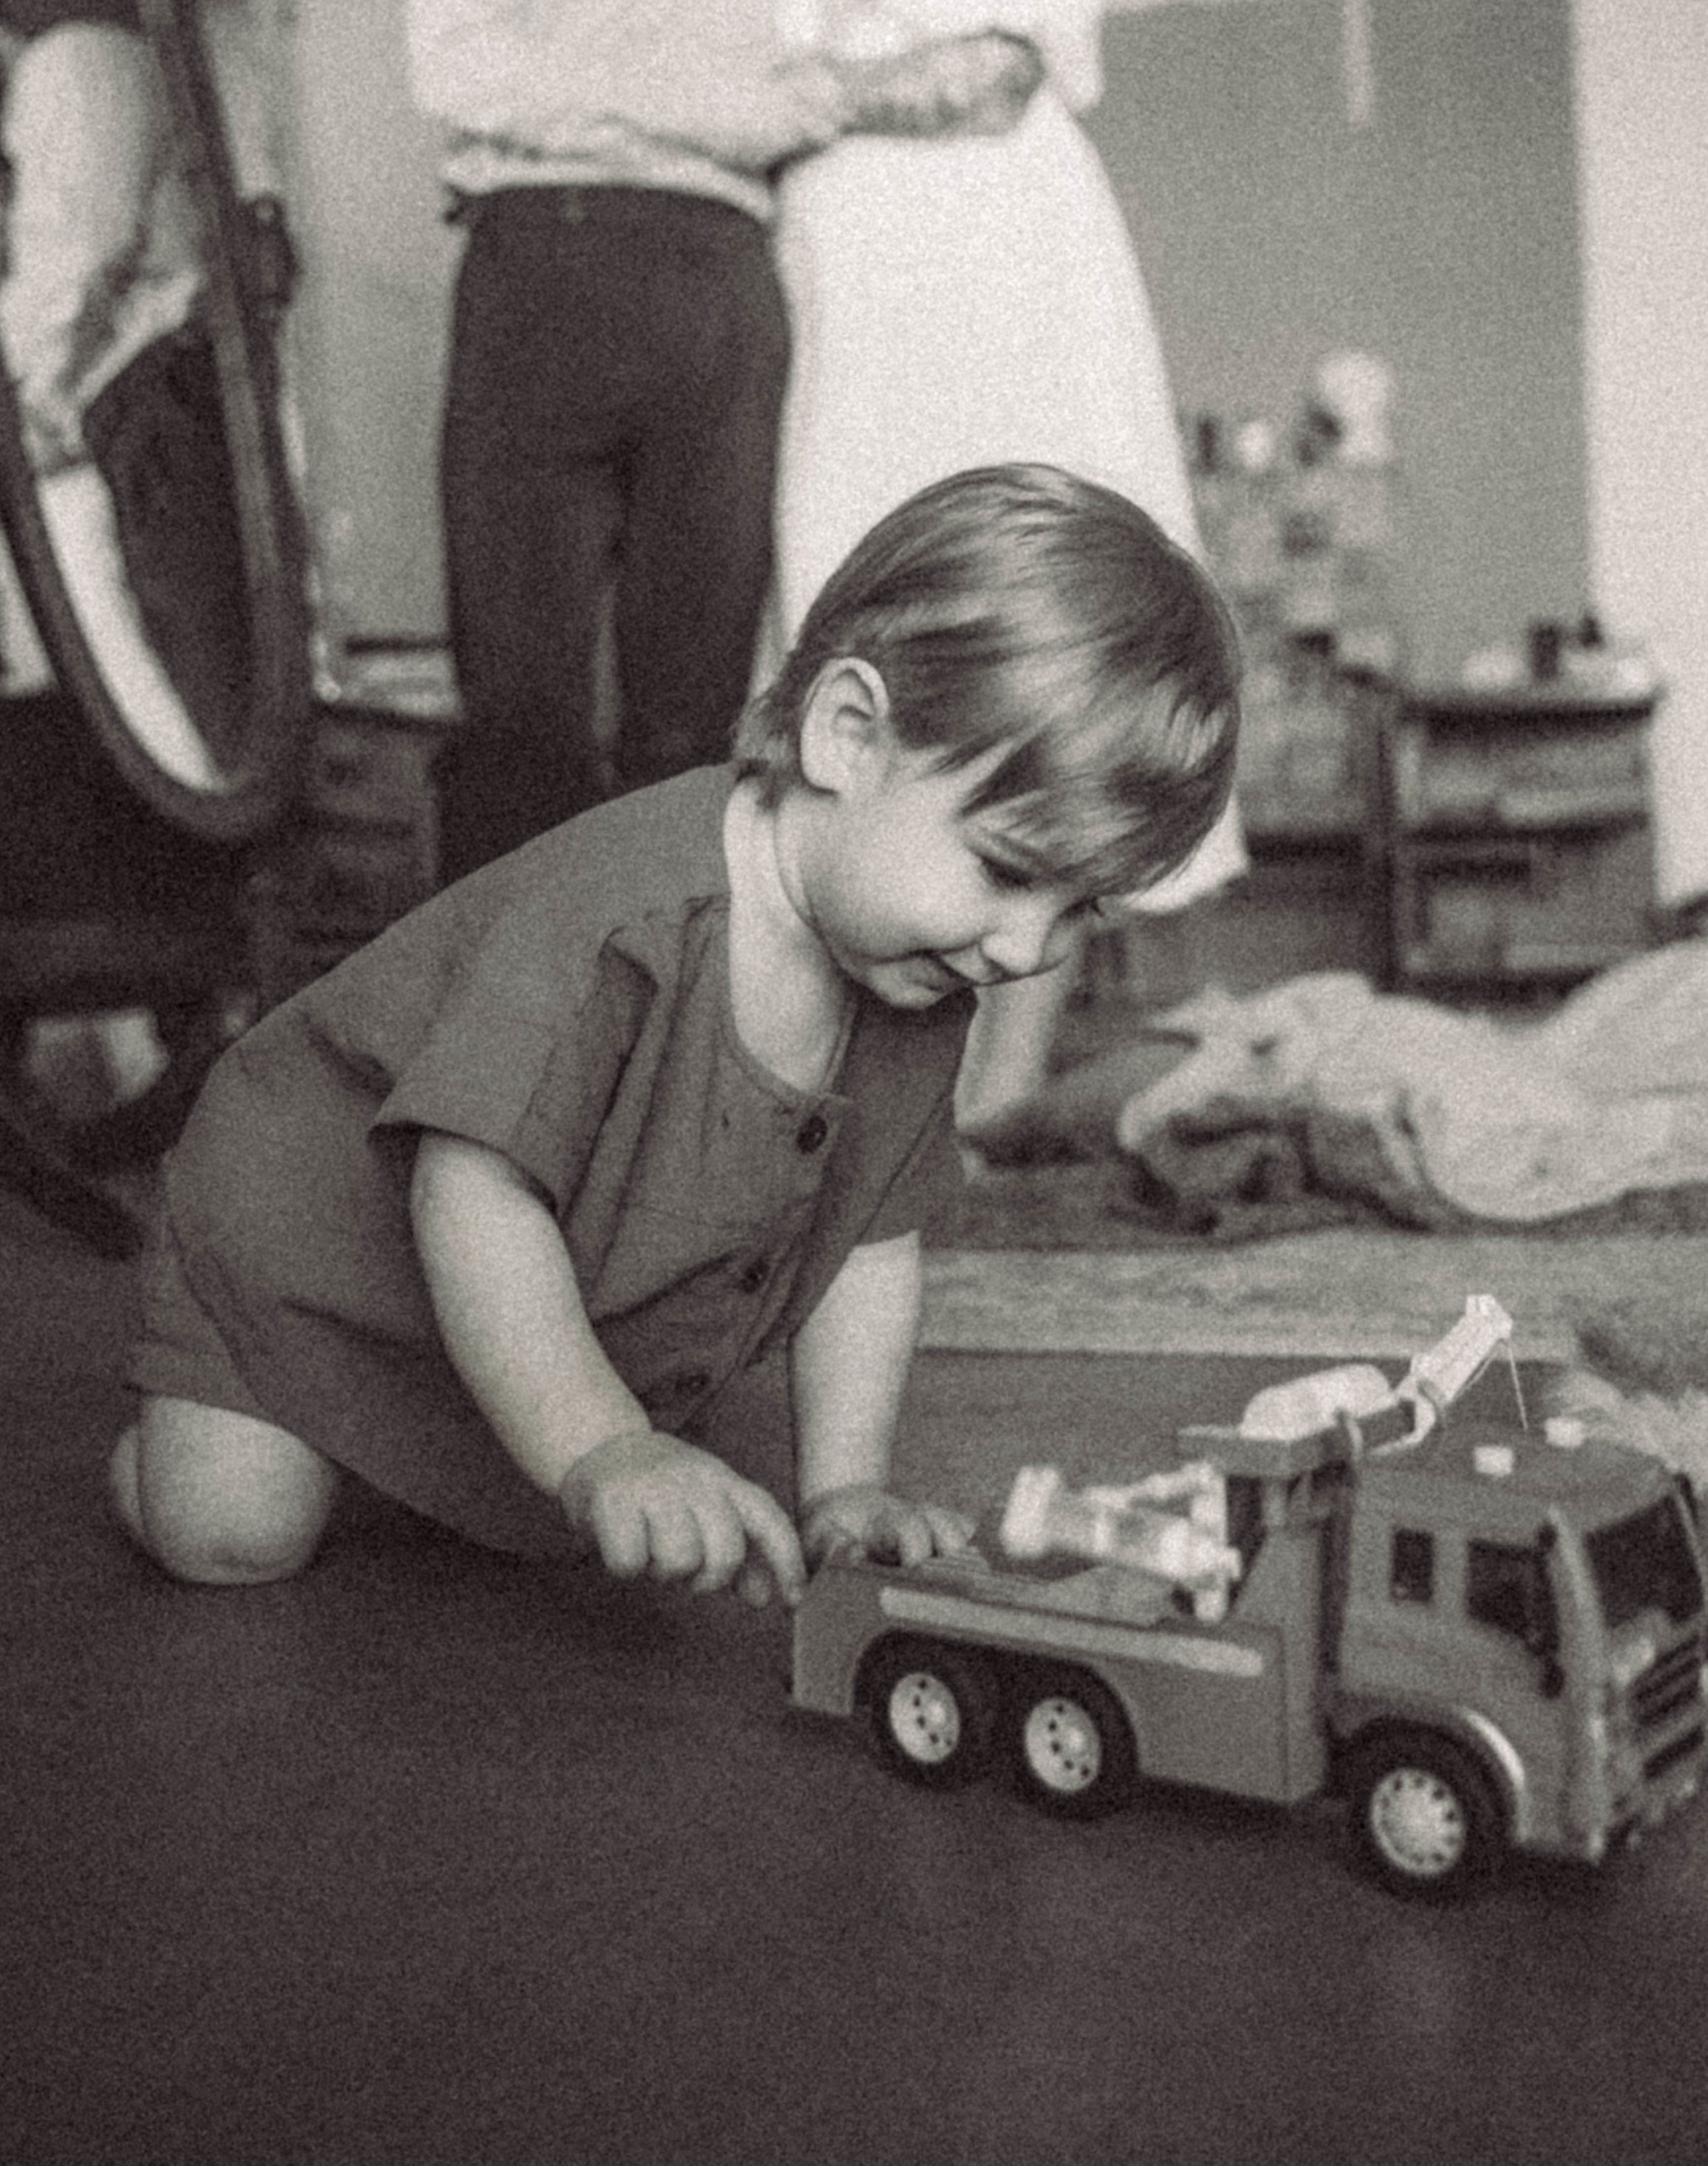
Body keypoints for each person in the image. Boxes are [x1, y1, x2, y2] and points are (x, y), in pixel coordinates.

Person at [110, 463, 1241, 1601]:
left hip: (523, 1292)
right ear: (848, 735)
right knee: (233, 1537)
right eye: (1007, 871)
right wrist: (605, 1443)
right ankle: (198, 1427)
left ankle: (459, 1432)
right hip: (313, 1249)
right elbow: (469, 1194)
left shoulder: (917, 977)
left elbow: (868, 1240)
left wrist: (843, 1489)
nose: (1024, 949)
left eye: (1078, 908)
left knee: (540, 1487)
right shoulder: (621, 920)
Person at [766, 0, 1247, 1110]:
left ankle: (996, 1090)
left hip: (987, 293)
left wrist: (774, 94)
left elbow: (985, 77)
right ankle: (880, 1081)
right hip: (843, 323)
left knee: (1031, 637)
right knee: (866, 642)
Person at [405, 0, 839, 885]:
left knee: (693, 747)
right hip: (544, 279)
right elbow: (459, 74)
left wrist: (590, 86)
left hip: (724, 307)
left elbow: (818, 107)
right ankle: (499, 1096)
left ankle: (653, 1090)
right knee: (519, 725)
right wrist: (720, 110)